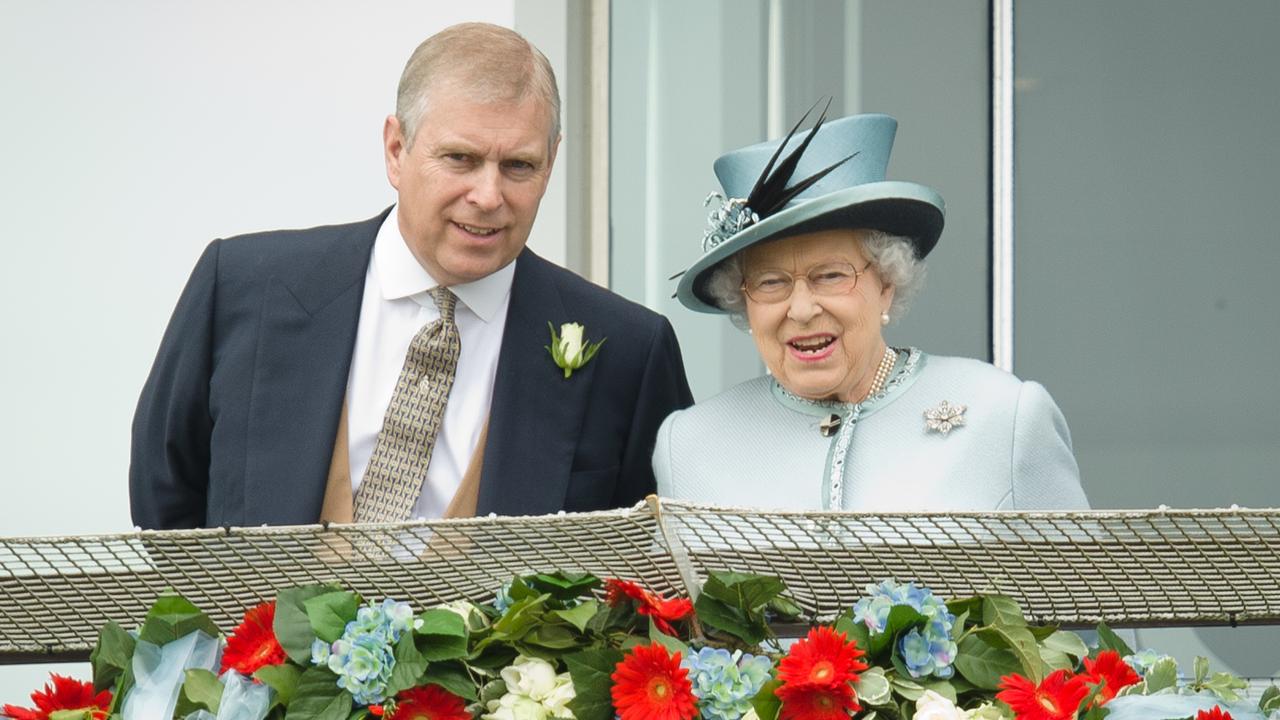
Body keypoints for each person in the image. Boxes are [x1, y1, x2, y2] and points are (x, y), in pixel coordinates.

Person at [130, 22, 692, 529]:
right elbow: (165, 497)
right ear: (396, 150)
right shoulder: (242, 287)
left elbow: (647, 564)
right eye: (461, 159)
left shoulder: (630, 352)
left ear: (552, 161)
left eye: (519, 165)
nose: (489, 196)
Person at [653, 108, 1087, 511]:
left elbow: (1078, 593)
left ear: (886, 282)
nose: (801, 309)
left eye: (831, 275)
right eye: (771, 283)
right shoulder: (689, 445)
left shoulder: (1004, 417)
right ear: (743, 302)